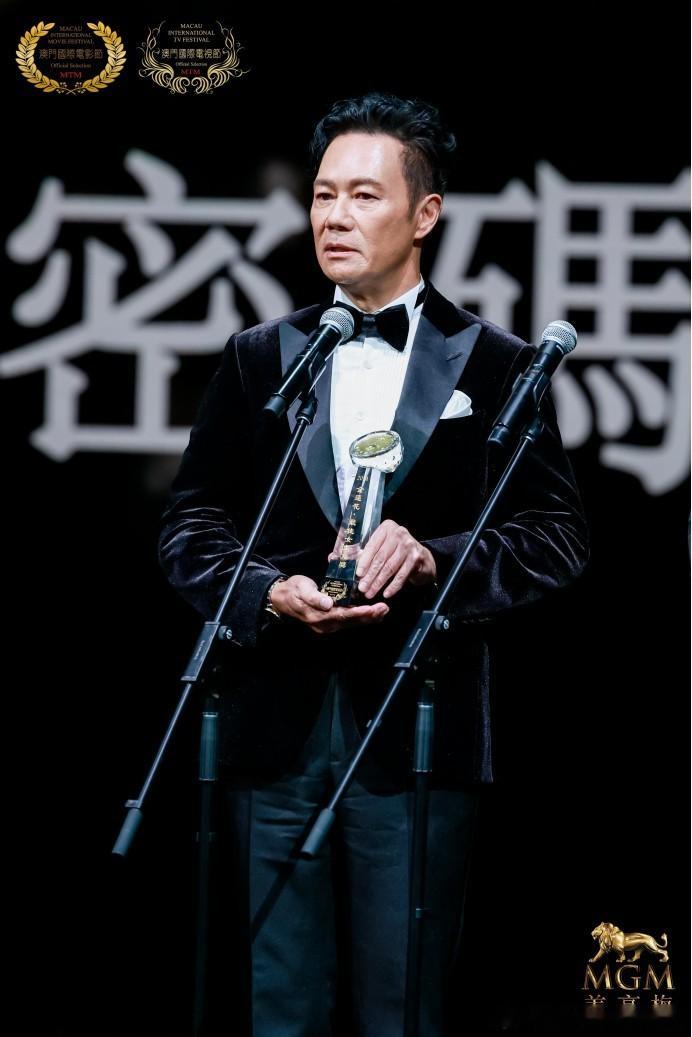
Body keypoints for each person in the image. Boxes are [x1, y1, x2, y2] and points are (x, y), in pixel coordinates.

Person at [158, 92, 589, 1037]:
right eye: (323, 194)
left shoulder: (495, 364)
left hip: (415, 724)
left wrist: (434, 559)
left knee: (403, 1004)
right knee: (278, 1001)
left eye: (363, 195)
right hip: (273, 726)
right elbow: (190, 522)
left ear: (424, 213)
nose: (335, 216)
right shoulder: (262, 356)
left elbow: (556, 535)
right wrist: (266, 591)